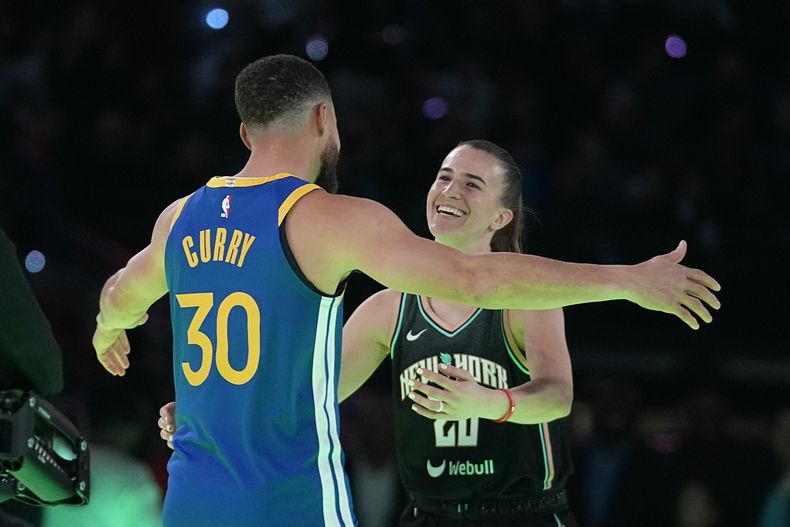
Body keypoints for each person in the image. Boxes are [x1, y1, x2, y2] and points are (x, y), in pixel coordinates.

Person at [93, 54, 721, 527]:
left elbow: (122, 295)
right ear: (324, 118)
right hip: (295, 500)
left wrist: (110, 331)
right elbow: (473, 278)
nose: (449, 192)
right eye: (446, 177)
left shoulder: (180, 218)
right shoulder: (335, 222)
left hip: (194, 502)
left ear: (244, 135)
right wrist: (627, 281)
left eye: (470, 185)